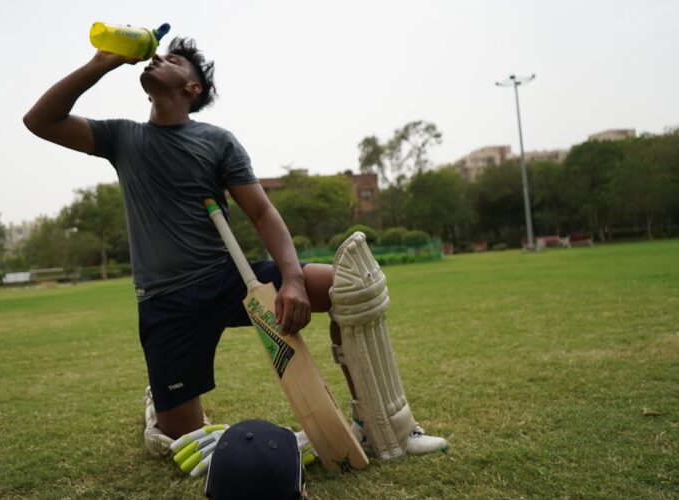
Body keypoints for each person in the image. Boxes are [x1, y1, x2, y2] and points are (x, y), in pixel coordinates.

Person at [23, 36, 447, 463]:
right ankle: (161, 408)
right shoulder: (122, 137)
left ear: (192, 89)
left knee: (348, 286)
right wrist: (102, 62)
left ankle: (384, 426)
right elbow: (39, 120)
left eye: (172, 59)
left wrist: (294, 282)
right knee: (182, 442)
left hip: (228, 278)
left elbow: (262, 212)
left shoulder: (216, 141)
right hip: (166, 302)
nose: (156, 59)